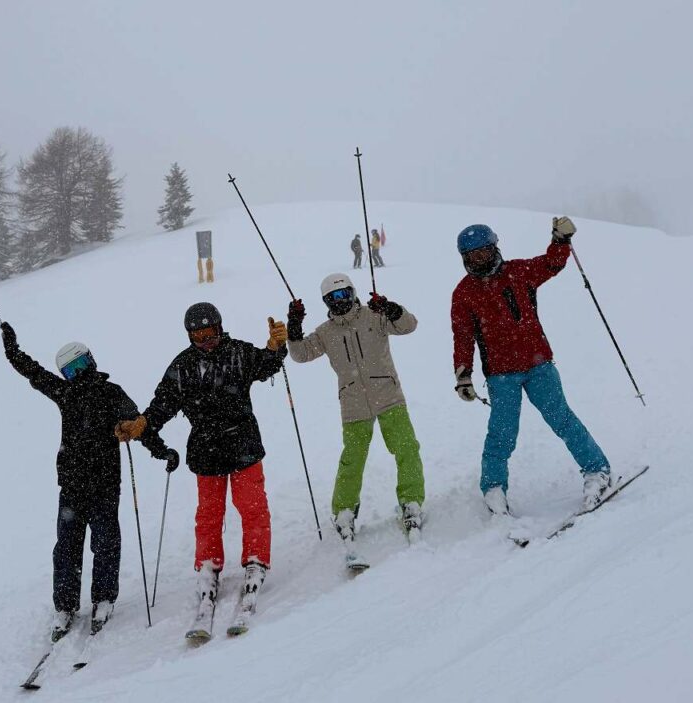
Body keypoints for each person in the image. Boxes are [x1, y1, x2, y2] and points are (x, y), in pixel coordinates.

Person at [0, 321, 177, 642]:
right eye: (72, 370)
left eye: (82, 364)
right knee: (66, 547)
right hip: (72, 485)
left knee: (105, 543)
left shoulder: (111, 393)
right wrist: (12, 350)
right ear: (66, 375)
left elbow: (138, 426)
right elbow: (33, 372)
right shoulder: (65, 393)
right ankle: (65, 606)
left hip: (104, 484)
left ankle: (104, 599)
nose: (79, 373)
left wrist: (161, 450)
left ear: (92, 361)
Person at [115, 303, 287, 629]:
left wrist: (276, 346)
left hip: (243, 444)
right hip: (207, 450)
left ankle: (255, 561)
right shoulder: (183, 366)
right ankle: (208, 566)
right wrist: (143, 424)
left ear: (220, 328)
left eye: (211, 334)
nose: (206, 341)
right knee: (208, 515)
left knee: (252, 506)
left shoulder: (238, 353)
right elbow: (162, 404)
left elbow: (267, 365)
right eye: (199, 336)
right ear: (189, 336)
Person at [449, 219, 611, 517]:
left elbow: (552, 263)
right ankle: (494, 489)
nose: (480, 260)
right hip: (500, 376)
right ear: (464, 258)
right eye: (473, 256)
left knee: (562, 419)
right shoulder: (464, 293)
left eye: (484, 252)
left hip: (539, 367)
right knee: (502, 434)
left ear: (495, 248)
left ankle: (596, 470)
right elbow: (463, 336)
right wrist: (463, 374)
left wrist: (560, 240)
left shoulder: (518, 271)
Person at [286, 273, 425, 550]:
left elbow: (408, 325)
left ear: (352, 292)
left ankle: (411, 502)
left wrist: (391, 309)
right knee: (352, 459)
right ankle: (344, 510)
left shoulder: (375, 316)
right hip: (353, 403)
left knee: (406, 448)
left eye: (343, 294)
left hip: (388, 396)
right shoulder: (325, 332)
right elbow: (300, 354)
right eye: (332, 298)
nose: (340, 301)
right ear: (326, 301)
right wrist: (294, 326)